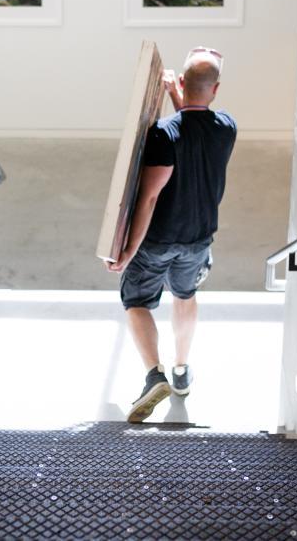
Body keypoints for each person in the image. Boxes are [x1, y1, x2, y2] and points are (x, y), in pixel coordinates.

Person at [105, 47, 236, 423]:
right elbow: (195, 123)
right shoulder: (227, 127)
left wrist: (128, 250)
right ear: (216, 89)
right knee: (185, 295)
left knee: (138, 302)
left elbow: (147, 198)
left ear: (181, 82)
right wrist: (181, 98)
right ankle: (181, 369)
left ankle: (154, 376)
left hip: (157, 241)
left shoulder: (163, 134)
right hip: (198, 239)